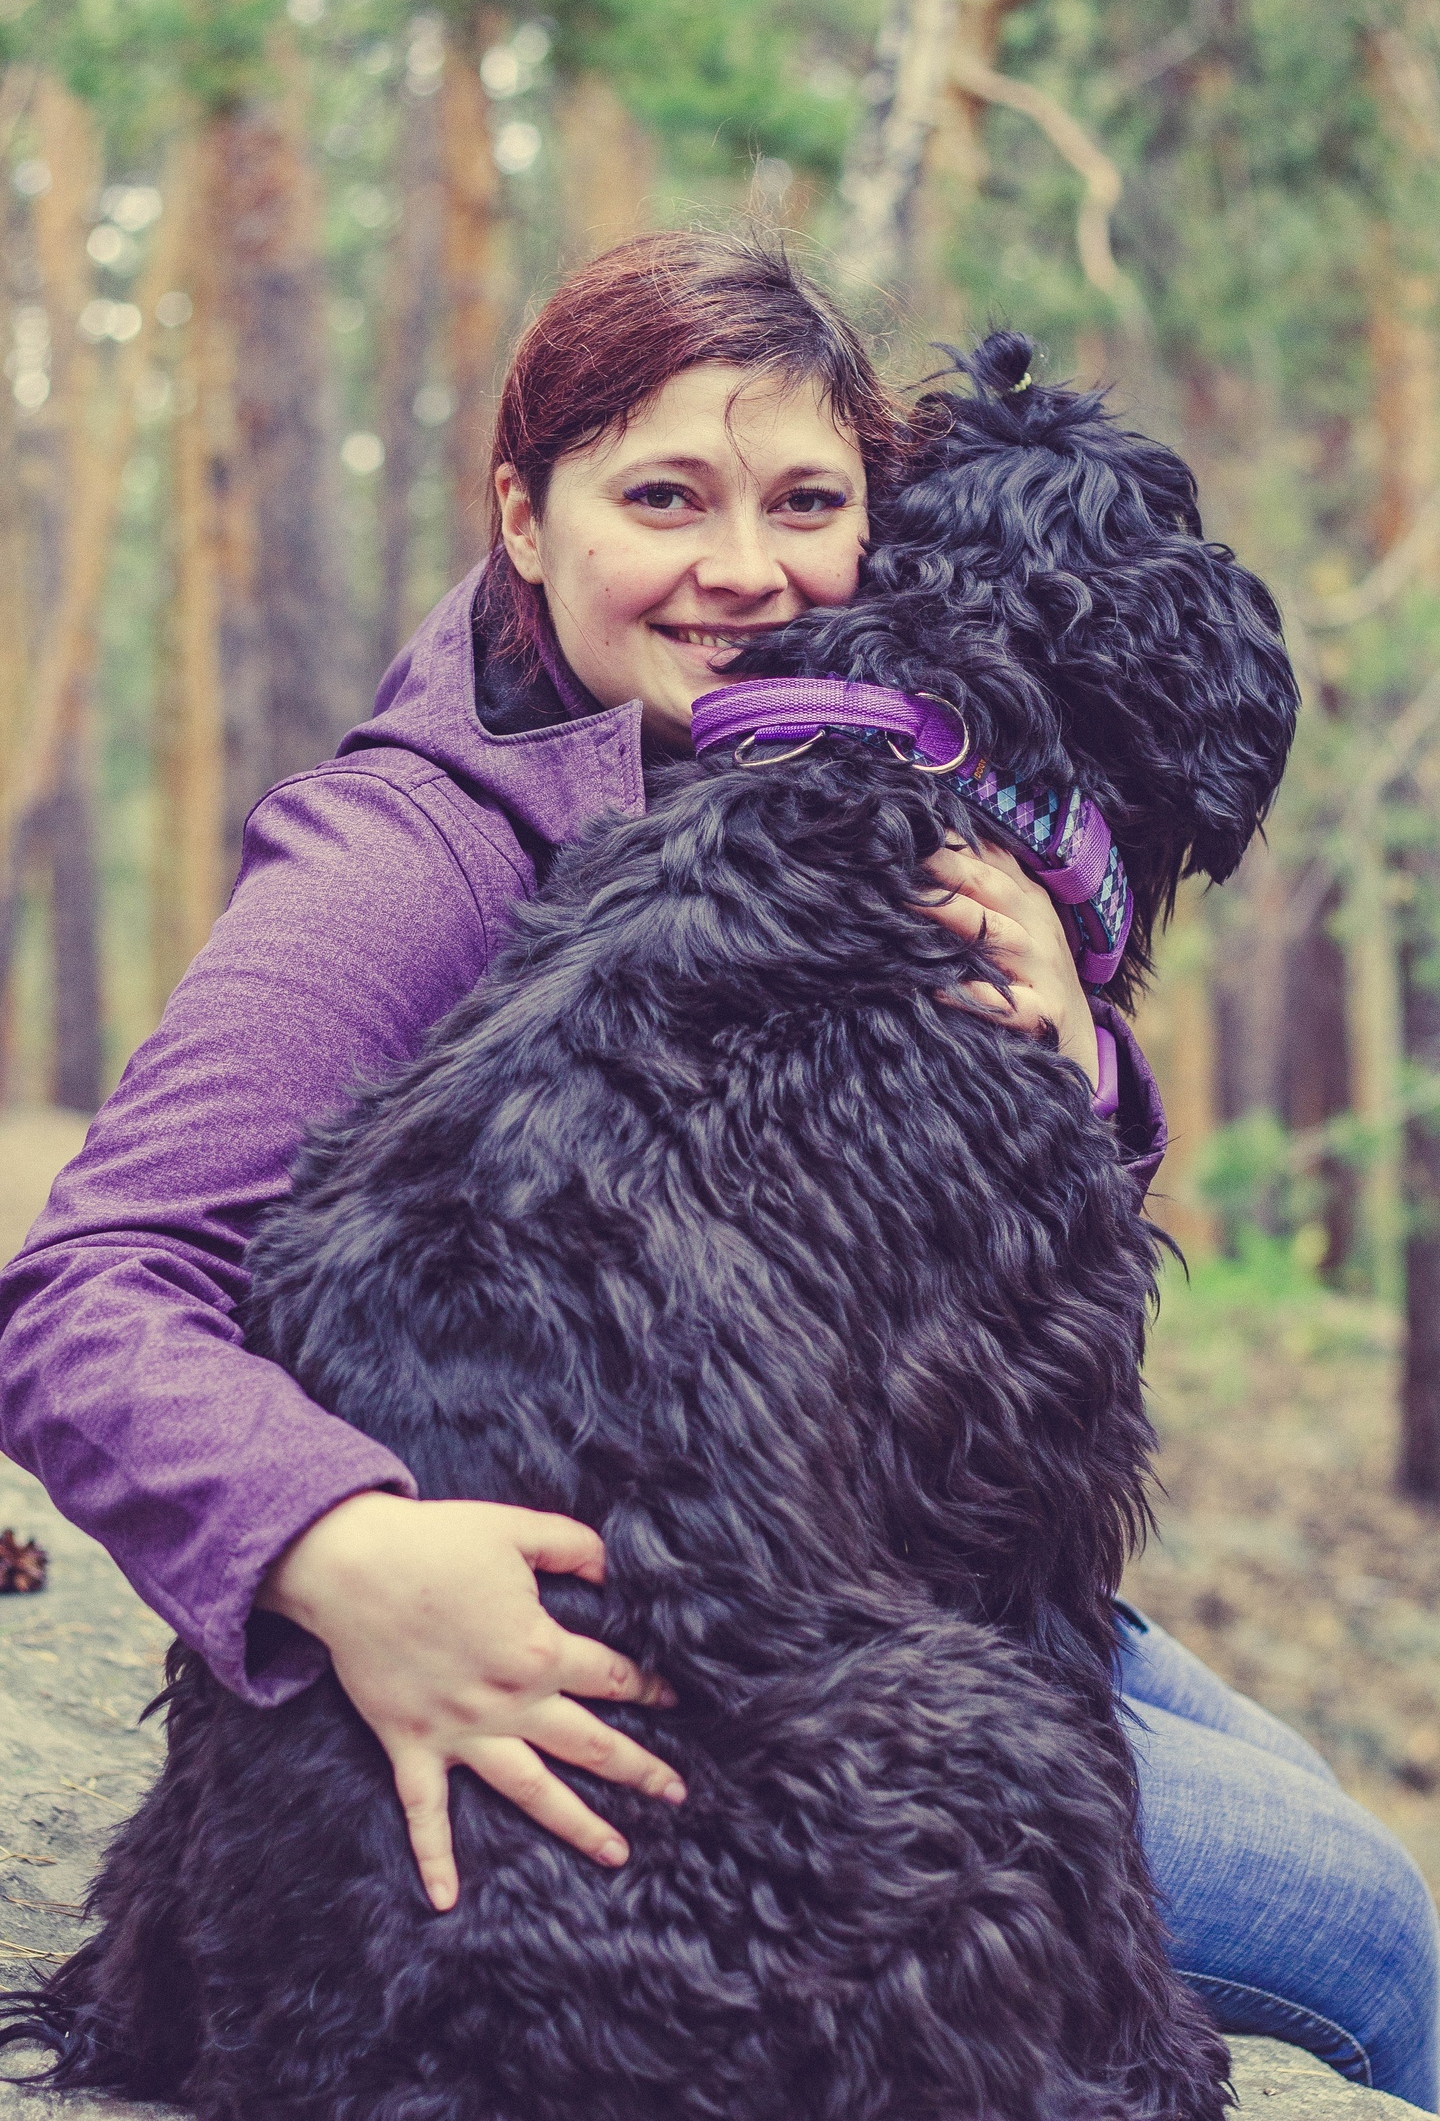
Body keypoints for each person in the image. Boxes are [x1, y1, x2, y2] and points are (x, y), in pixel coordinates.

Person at [1, 233, 1434, 2108]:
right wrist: (340, 1552)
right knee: (1365, 1927)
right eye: (663, 498)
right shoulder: (407, 852)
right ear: (525, 519)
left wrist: (1072, 1035)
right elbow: (85, 1291)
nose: (746, 568)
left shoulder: (831, 765)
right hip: (627, 1668)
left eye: (807, 503)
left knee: (1306, 1791)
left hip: (818, 1550)